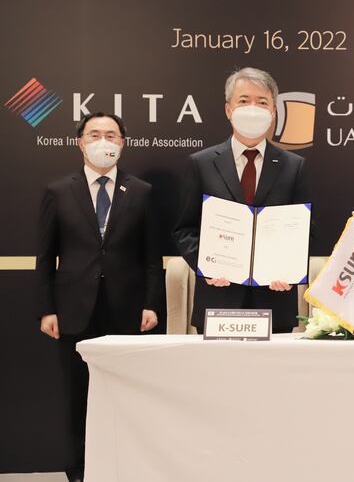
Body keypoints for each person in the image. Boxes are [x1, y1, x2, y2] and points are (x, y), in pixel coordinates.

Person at [36, 111, 162, 482]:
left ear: (122, 143)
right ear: (80, 142)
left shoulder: (141, 191)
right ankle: (78, 469)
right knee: (78, 394)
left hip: (126, 310)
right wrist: (47, 310)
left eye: (111, 134)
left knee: (124, 394)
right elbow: (45, 258)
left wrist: (151, 303)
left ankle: (123, 465)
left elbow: (151, 257)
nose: (103, 141)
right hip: (73, 310)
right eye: (94, 134)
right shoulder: (58, 191)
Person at [173, 67, 311, 333]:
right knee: (218, 374)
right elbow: (184, 229)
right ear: (228, 110)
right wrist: (206, 266)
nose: (253, 109)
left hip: (274, 297)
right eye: (244, 101)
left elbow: (306, 231)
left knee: (272, 375)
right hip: (219, 296)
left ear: (273, 113)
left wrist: (290, 270)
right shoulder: (201, 163)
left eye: (262, 103)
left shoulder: (294, 166)